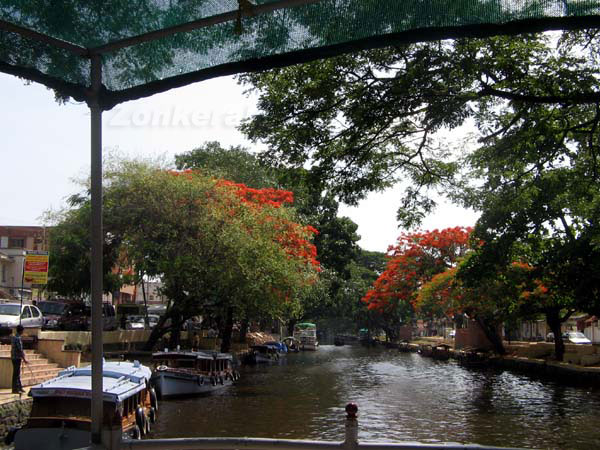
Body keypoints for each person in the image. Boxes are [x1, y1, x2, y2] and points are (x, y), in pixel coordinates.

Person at [11, 325, 28, 394]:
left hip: (14, 357)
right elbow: (20, 349)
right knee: (16, 373)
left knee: (17, 373)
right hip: (16, 358)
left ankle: (19, 387)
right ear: (21, 331)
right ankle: (15, 388)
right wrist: (24, 359)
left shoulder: (14, 337)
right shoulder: (17, 338)